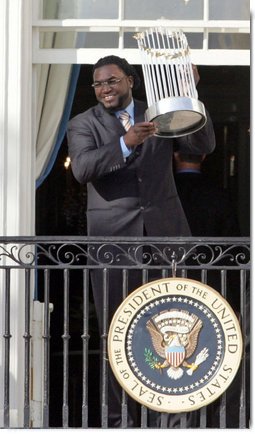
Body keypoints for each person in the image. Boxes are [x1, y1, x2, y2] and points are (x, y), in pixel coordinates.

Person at [67, 55, 216, 427]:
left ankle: (172, 418)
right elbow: (83, 170)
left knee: (175, 326)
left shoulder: (157, 111)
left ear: (130, 81)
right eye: (99, 84)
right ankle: (122, 421)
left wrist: (188, 95)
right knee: (119, 331)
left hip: (166, 235)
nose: (104, 89)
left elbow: (204, 142)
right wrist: (125, 142)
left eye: (111, 81)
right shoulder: (82, 123)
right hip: (112, 243)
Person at [173, 152, 240, 236]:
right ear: (203, 156)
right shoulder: (218, 193)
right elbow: (231, 234)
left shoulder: (161, 191)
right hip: (211, 249)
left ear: (175, 155)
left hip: (167, 249)